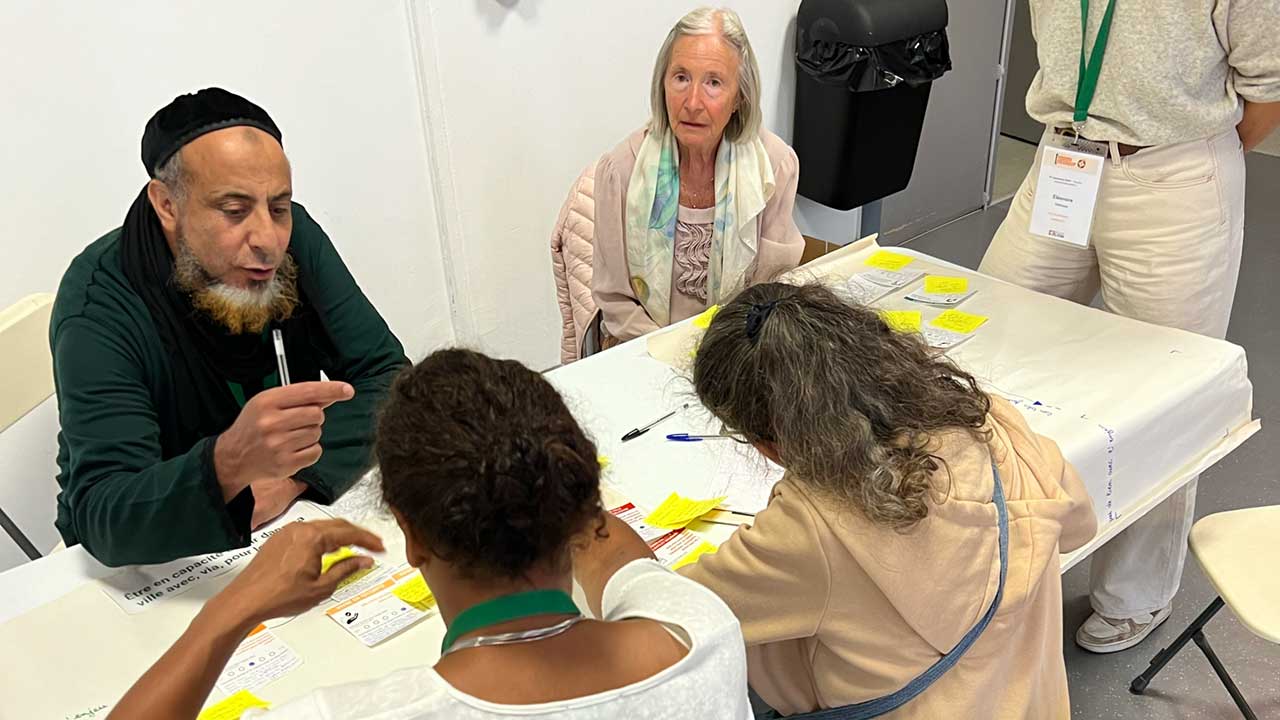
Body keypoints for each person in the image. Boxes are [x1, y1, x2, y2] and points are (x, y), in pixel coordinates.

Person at [106, 349, 752, 719]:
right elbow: (621, 559)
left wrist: (233, 607)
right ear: (582, 505)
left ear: (410, 535)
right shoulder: (702, 631)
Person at [978, 1, 1280, 653]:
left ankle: (1136, 596)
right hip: (1060, 162)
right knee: (981, 347)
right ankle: (982, 552)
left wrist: (1174, 156)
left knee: (1164, 392)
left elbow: (1268, 89)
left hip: (1171, 176)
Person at [678, 283, 1098, 718]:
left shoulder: (810, 527)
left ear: (771, 444)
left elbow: (680, 611)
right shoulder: (993, 425)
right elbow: (1080, 526)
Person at [51, 88, 407, 567]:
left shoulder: (294, 238)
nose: (266, 240)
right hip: (150, 564)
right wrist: (228, 467)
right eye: (234, 211)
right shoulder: (101, 299)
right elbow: (105, 512)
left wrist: (292, 478)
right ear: (167, 205)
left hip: (284, 523)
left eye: (278, 206)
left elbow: (390, 377)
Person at [592, 6, 803, 346]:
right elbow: (615, 302)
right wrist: (675, 353)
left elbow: (771, 293)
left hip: (739, 349)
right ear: (663, 84)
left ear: (739, 97)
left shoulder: (774, 167)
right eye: (681, 77)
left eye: (714, 83)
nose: (692, 102)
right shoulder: (621, 171)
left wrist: (717, 355)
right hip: (641, 351)